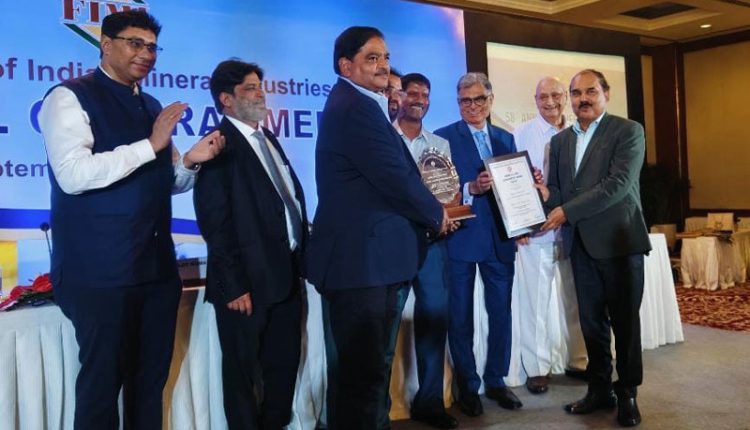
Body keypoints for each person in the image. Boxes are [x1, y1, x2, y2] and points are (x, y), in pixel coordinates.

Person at [38, 10, 224, 429]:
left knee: (150, 383)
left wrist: (192, 162)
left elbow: (165, 181)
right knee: (102, 386)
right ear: (106, 45)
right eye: (135, 43)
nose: (146, 54)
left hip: (155, 269)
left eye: (153, 47)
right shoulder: (68, 97)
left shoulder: (150, 104)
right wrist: (151, 143)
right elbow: (73, 176)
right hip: (99, 272)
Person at [306, 26, 449, 430]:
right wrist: (436, 214)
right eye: (372, 58)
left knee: (362, 377)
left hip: (371, 263)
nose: (383, 65)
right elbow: (394, 177)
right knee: (362, 379)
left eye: (385, 57)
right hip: (362, 265)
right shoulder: (355, 107)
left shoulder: (360, 104)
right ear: (345, 65)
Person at [194, 59, 308, 429]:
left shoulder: (267, 138)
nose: (260, 94)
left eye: (260, 87)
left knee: (283, 368)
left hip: (285, 277)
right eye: (249, 88)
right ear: (226, 99)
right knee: (243, 377)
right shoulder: (218, 145)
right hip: (245, 287)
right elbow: (215, 222)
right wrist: (233, 284)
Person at [538, 69, 651, 427]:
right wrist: (543, 194)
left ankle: (628, 392)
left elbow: (617, 184)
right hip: (581, 245)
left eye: (590, 91)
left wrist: (566, 211)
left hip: (619, 242)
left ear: (606, 94)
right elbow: (559, 192)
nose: (582, 99)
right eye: (576, 93)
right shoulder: (560, 142)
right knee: (591, 323)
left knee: (625, 324)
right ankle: (600, 389)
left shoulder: (628, 131)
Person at [434, 72, 522, 417]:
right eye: (464, 101)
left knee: (501, 313)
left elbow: (515, 190)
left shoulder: (505, 138)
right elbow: (437, 191)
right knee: (460, 317)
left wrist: (529, 187)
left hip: (500, 241)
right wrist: (471, 188)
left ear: (490, 100)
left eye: (478, 99)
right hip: (461, 239)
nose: (471, 106)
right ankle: (468, 386)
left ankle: (496, 380)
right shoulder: (442, 138)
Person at [513, 77, 587, 394]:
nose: (550, 101)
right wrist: (518, 226)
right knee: (536, 304)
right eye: (543, 96)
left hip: (575, 230)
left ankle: (580, 360)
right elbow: (511, 184)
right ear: (535, 100)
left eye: (556, 95)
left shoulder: (581, 133)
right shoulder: (520, 134)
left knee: (578, 300)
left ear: (565, 97)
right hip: (538, 232)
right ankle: (537, 368)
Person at [392, 72, 458, 429]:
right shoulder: (385, 138)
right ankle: (379, 408)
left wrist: (452, 211)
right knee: (387, 325)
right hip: (396, 243)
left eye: (425, 94)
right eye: (412, 93)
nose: (419, 99)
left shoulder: (439, 144)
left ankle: (430, 401)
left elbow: (449, 191)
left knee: (434, 320)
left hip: (433, 242)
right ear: (399, 96)